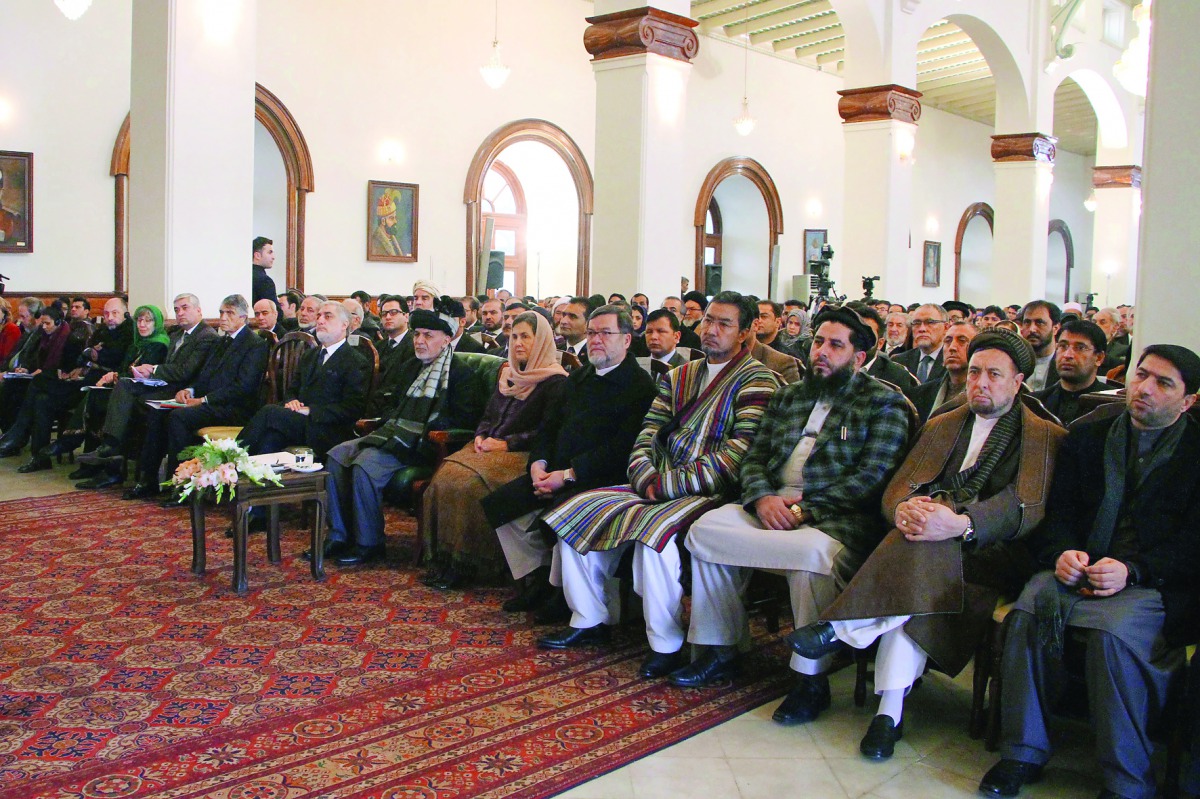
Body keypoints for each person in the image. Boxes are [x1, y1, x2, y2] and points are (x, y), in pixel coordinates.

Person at [789, 329, 1065, 759]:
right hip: (926, 551)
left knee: (919, 546)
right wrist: (903, 509)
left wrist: (961, 524)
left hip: (995, 552)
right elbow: (900, 486)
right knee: (914, 581)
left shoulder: (1043, 435)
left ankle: (842, 628)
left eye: (994, 374)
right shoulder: (943, 423)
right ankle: (888, 715)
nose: (980, 383)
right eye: (974, 372)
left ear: (1018, 382)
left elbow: (1023, 506)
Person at [667, 307, 911, 727]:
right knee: (706, 531)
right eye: (818, 342)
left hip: (833, 518)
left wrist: (804, 509)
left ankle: (809, 680)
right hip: (772, 508)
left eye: (835, 345)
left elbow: (872, 478)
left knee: (811, 556)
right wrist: (762, 498)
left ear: (858, 357)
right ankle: (720, 649)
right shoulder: (789, 395)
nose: (821, 352)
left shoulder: (884, 403)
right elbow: (754, 458)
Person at [979, 345, 1200, 799]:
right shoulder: (1088, 437)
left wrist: (1133, 570)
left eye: (1163, 383)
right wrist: (1062, 552)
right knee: (1029, 613)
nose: (1144, 389)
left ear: (1189, 401)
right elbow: (1058, 512)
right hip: (1081, 567)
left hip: (1153, 583)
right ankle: (1022, 752)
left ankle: (1126, 780)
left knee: (1111, 636)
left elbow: (1192, 545)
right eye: (1142, 375)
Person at [537, 292, 780, 679]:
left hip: (710, 490)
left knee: (655, 536)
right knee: (575, 511)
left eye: (724, 324)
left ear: (746, 332)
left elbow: (738, 454)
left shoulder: (758, 380)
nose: (711, 330)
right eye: (708, 321)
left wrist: (666, 484)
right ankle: (590, 618)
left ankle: (665, 643)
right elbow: (647, 433)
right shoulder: (679, 375)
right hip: (653, 481)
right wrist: (643, 474)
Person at [482, 305, 658, 623]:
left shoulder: (639, 386)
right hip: (555, 471)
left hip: (599, 477)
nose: (596, 340)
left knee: (559, 515)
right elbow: (549, 428)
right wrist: (538, 464)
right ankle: (541, 578)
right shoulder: (579, 377)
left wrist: (568, 475)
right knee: (501, 505)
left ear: (626, 339)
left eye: (605, 333)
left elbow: (623, 448)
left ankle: (561, 594)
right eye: (592, 333)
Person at [320, 297, 488, 566]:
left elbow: (465, 419)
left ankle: (369, 543)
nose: (419, 341)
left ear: (446, 339)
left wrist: (417, 430)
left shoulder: (461, 373)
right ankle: (339, 535)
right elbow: (392, 405)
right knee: (337, 455)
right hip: (392, 436)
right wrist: (392, 424)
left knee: (364, 465)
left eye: (428, 336)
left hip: (424, 445)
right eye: (417, 334)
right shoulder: (410, 366)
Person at [421, 312, 568, 589]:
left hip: (521, 454)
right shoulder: (508, 374)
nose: (518, 343)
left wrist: (507, 444)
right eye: (514, 336)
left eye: (526, 337)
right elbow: (489, 415)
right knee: (443, 479)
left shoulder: (556, 381)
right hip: (488, 447)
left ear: (541, 340)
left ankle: (470, 565)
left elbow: (547, 431)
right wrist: (480, 434)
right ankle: (444, 560)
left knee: (469, 487)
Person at [124, 294, 269, 500]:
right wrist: (190, 390)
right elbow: (205, 375)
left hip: (235, 408)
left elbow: (243, 387)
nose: (223, 317)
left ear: (243, 317)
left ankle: (180, 485)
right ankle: (149, 480)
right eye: (221, 312)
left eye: (229, 313)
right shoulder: (222, 341)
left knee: (179, 418)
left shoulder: (255, 344)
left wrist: (203, 400)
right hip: (211, 402)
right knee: (158, 412)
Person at [240, 301, 370, 461]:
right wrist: (292, 401)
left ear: (344, 325)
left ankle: (229, 457)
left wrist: (310, 410)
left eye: (328, 316)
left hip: (328, 429)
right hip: (300, 422)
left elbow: (353, 409)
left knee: (269, 412)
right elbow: (292, 389)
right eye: (319, 316)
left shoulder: (355, 361)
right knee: (270, 440)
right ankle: (245, 472)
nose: (320, 320)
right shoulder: (310, 355)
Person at [68, 304, 171, 485]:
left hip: (144, 392)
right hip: (126, 389)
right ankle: (94, 462)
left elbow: (140, 375)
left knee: (105, 403)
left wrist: (116, 376)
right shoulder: (135, 344)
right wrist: (115, 375)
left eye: (148, 321)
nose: (142, 325)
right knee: (95, 397)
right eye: (139, 320)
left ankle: (110, 465)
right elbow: (125, 369)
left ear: (157, 324)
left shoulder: (159, 345)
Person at [0, 305, 87, 465]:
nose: (44, 327)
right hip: (51, 384)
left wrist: (49, 372)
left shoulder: (70, 339)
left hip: (70, 386)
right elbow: (38, 362)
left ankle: (17, 433)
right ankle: (39, 458)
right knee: (37, 398)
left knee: (36, 382)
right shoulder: (45, 337)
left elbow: (70, 367)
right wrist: (27, 369)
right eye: (43, 323)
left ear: (58, 322)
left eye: (48, 323)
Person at [1034, 319, 1109, 425]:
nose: (1067, 355)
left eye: (1080, 348)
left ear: (1099, 358)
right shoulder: (1035, 403)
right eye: (1063, 346)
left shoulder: (1112, 405)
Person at [905, 321, 978, 423]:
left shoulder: (982, 395)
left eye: (962, 341)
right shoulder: (921, 394)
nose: (952, 347)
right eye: (948, 341)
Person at [855, 305, 917, 391]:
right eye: (890, 325)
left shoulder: (896, 375)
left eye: (867, 334)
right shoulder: (836, 366)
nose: (893, 329)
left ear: (880, 343)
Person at [893, 304, 948, 384]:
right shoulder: (899, 362)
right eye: (917, 323)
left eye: (930, 322)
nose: (922, 329)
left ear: (946, 327)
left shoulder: (953, 362)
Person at [1018, 300, 1061, 392]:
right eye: (1027, 322)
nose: (1032, 329)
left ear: (1055, 328)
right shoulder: (1015, 364)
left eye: (1039, 322)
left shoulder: (1064, 365)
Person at [251, 236, 279, 313]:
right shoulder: (265, 281)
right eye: (270, 252)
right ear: (257, 255)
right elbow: (275, 313)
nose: (273, 257)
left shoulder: (245, 275)